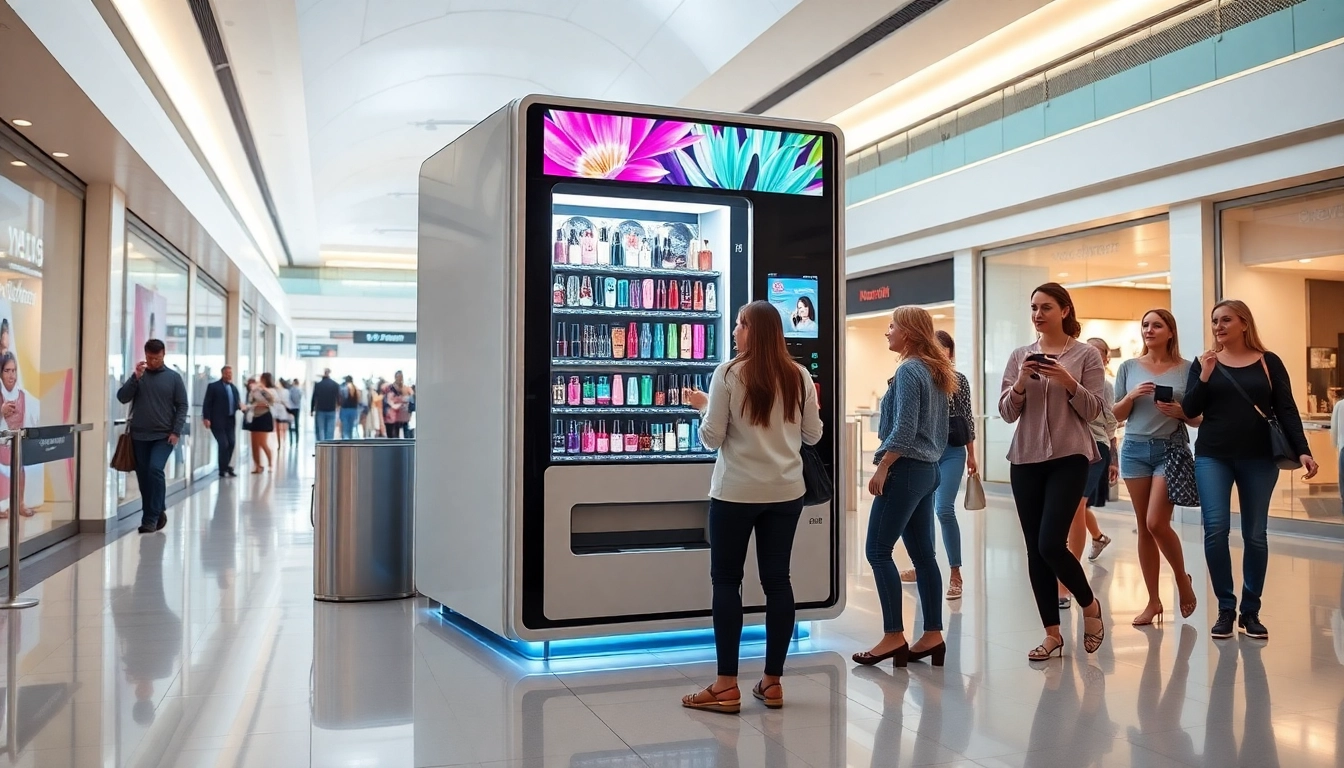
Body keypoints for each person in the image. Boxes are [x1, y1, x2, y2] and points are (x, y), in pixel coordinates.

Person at [679, 300, 822, 713]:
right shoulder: (799, 376)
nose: (736, 330)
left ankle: (726, 685)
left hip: (735, 493)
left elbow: (711, 438)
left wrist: (704, 407)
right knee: (778, 581)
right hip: (785, 493)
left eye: (741, 324)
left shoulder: (728, 373)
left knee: (727, 581)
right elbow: (812, 436)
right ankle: (772, 682)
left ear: (754, 331)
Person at [1182, 300, 1317, 640]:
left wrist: (1303, 451)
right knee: (1215, 528)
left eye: (1226, 320)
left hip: (1259, 457)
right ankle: (1226, 608)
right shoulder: (1203, 362)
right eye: (1215, 321)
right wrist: (1206, 375)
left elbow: (1286, 408)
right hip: (1213, 455)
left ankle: (1251, 610)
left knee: (1255, 533)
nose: (1219, 326)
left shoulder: (1268, 362)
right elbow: (1190, 409)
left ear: (1244, 323)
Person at [999, 283, 1106, 660]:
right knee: (1034, 551)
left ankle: (1090, 606)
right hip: (1025, 459)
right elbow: (1007, 412)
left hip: (1069, 456)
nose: (1038, 314)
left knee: (1050, 544)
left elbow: (1095, 410)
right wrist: (1019, 385)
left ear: (1064, 310)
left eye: (1046, 307)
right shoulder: (1020, 356)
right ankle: (1052, 635)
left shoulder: (1086, 355)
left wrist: (1068, 381)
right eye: (1033, 308)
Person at [853, 306, 954, 668]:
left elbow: (905, 427)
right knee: (924, 554)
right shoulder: (936, 369)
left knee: (878, 551)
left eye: (892, 326)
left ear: (908, 333)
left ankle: (894, 636)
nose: (888, 332)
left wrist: (883, 466)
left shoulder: (911, 369)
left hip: (906, 469)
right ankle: (932, 634)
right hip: (928, 470)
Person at [1114, 309, 1199, 626]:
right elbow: (1116, 415)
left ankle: (1181, 578)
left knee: (1155, 523)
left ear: (1170, 332)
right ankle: (1153, 601)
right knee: (1143, 526)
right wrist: (1132, 396)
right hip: (1134, 449)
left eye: (1156, 325)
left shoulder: (1186, 369)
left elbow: (1197, 417)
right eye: (1145, 325)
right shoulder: (1128, 367)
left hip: (1170, 451)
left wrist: (1179, 411)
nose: (1149, 330)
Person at [899, 330, 977, 600]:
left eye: (943, 348)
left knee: (943, 509)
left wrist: (972, 454)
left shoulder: (959, 380)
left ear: (950, 353)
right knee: (922, 512)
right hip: (925, 452)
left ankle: (956, 573)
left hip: (953, 451)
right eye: (933, 348)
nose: (938, 353)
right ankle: (923, 567)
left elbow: (967, 418)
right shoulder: (919, 377)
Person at [1058, 338, 1117, 608]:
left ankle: (1067, 582)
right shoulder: (1061, 375)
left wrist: (1113, 460)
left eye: (1098, 353)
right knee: (1074, 508)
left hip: (1094, 449)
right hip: (1065, 448)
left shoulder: (1103, 385)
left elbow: (1110, 423)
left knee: (1076, 507)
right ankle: (1098, 537)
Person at [116, 339, 189, 533]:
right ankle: (156, 509)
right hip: (139, 436)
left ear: (164, 354)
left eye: (156, 358)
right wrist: (135, 378)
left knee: (155, 469)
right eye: (149, 357)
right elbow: (122, 397)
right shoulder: (139, 376)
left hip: (163, 436)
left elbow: (182, 405)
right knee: (143, 476)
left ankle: (151, 517)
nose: (153, 361)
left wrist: (176, 431)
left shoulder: (174, 378)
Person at [0, 352, 40, 517]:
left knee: (20, 465)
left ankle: (19, 503)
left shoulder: (24, 396)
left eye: (14, 370)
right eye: (7, 370)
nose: (11, 375)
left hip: (16, 445)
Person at [201, 365, 243, 478]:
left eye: (231, 373)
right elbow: (207, 403)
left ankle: (226, 466)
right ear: (223, 373)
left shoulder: (234, 388)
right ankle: (222, 469)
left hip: (230, 421)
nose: (229, 375)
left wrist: (241, 407)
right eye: (227, 373)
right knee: (223, 444)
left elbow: (237, 402)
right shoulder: (213, 387)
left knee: (232, 443)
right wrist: (206, 418)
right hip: (217, 421)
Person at [245, 372, 277, 473]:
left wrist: (263, 403)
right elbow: (250, 401)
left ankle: (270, 464)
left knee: (262, 442)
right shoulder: (255, 389)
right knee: (254, 443)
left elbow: (271, 402)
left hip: (264, 416)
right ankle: (257, 465)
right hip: (255, 416)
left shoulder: (268, 390)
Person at [311, 369, 339, 441]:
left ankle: (321, 446)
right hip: (331, 410)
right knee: (330, 431)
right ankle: (329, 446)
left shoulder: (318, 385)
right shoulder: (335, 385)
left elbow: (314, 398)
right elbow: (339, 398)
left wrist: (312, 409)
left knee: (321, 430)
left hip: (320, 410)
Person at [383, 372, 411, 438]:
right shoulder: (391, 388)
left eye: (401, 377)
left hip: (401, 415)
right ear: (395, 377)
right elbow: (389, 401)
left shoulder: (404, 388)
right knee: (392, 435)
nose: (400, 379)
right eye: (399, 377)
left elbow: (408, 399)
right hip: (391, 415)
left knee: (402, 433)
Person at [273, 379, 292, 446]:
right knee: (280, 427)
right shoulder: (279, 391)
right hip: (280, 410)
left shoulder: (284, 391)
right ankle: (281, 442)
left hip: (282, 410)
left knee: (281, 427)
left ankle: (282, 442)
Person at [286, 378, 303, 445]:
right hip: (297, 408)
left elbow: (288, 399)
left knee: (290, 424)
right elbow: (299, 399)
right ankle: (297, 441)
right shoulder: (299, 390)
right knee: (296, 424)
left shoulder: (290, 390)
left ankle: (291, 441)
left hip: (291, 408)